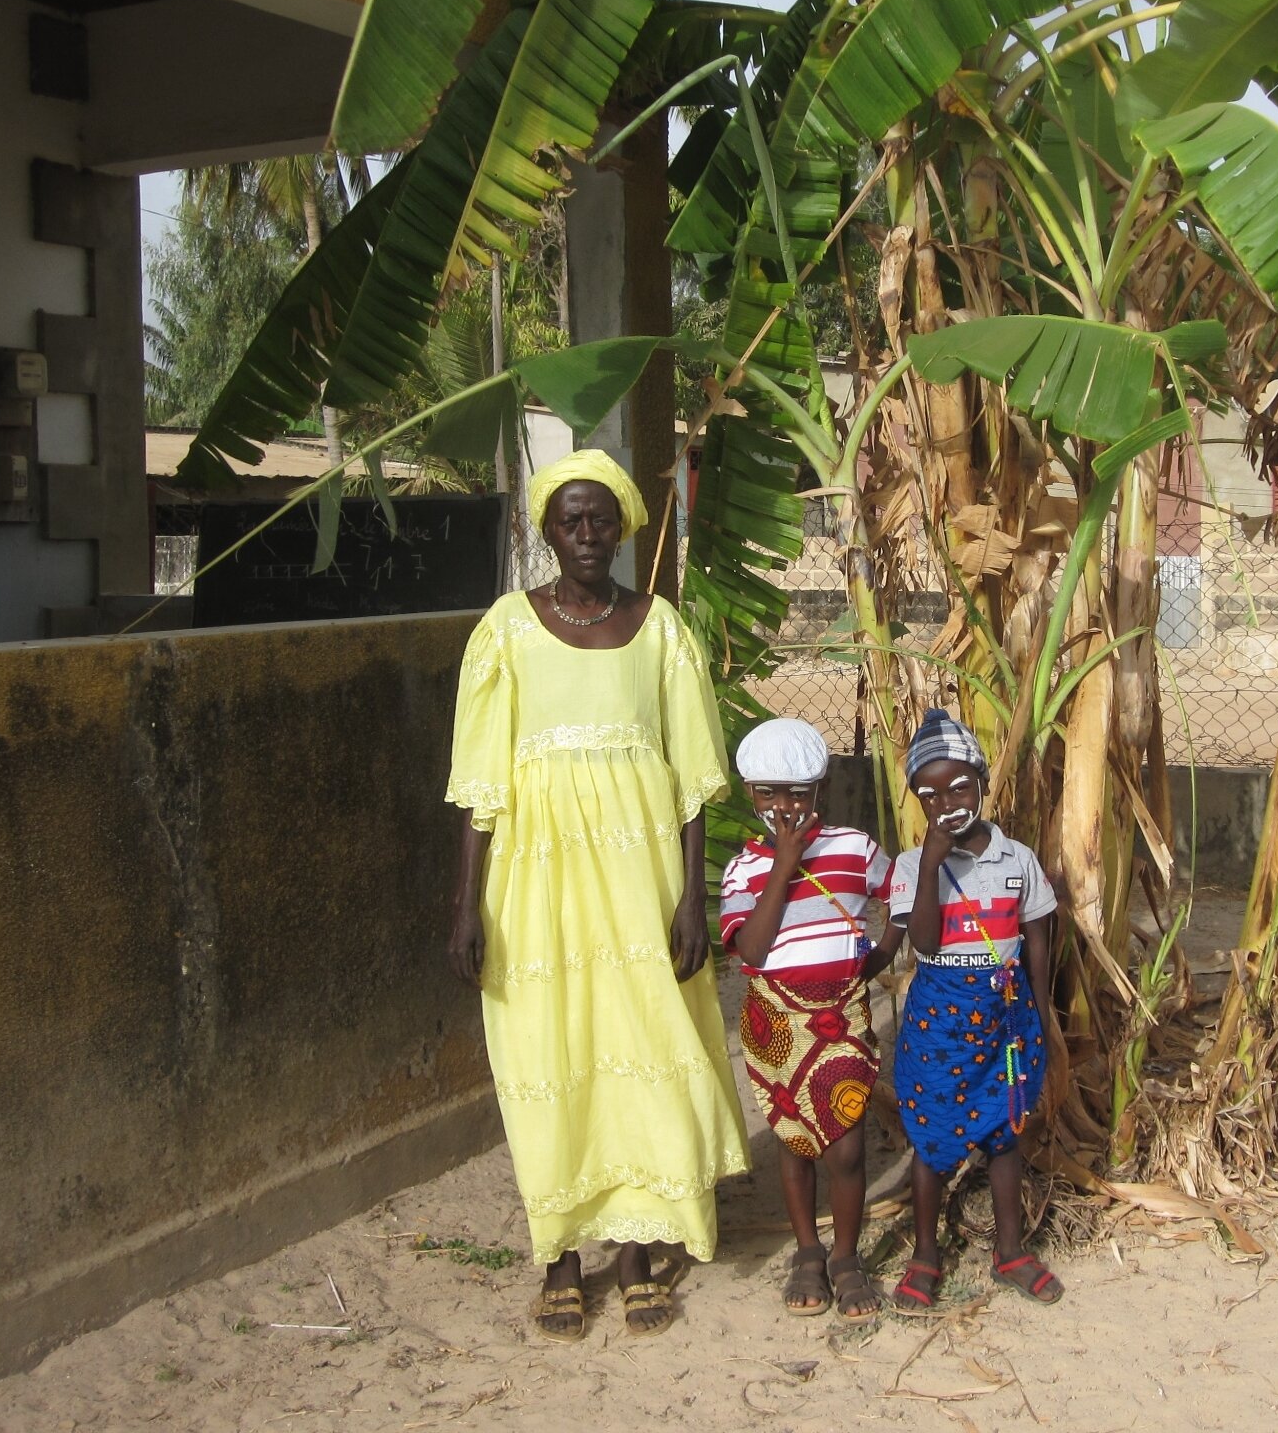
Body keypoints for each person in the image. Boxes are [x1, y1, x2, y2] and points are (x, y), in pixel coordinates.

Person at [444, 449, 749, 1343]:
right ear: (547, 531)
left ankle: (641, 1251)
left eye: (601, 519)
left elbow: (693, 780)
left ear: (623, 527)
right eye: (570, 521)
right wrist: (466, 906)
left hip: (641, 879)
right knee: (550, 1056)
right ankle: (559, 1261)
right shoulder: (503, 632)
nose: (586, 535)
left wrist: (691, 900)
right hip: (536, 885)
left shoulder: (660, 630)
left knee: (642, 1045)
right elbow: (477, 785)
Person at [719, 717, 903, 1320]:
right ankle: (807, 1252)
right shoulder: (743, 871)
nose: (783, 806)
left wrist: (880, 956)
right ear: (751, 794)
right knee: (794, 1141)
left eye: (796, 792)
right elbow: (751, 949)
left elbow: (898, 896)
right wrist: (783, 866)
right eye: (769, 793)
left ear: (818, 790)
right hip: (775, 1024)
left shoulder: (853, 847)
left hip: (841, 1019)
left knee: (845, 1147)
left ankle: (846, 1258)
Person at [887, 709, 1064, 1309]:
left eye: (960, 787)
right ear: (918, 800)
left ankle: (1010, 1251)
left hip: (1006, 1019)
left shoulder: (1016, 861)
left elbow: (1038, 939)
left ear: (982, 785)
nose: (947, 803)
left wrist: (1039, 1016)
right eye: (930, 794)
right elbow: (927, 944)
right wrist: (934, 863)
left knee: (1004, 1134)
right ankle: (925, 1254)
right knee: (931, 1141)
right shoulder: (913, 868)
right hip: (939, 1019)